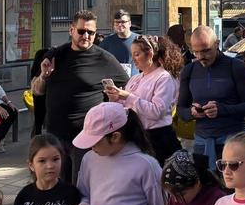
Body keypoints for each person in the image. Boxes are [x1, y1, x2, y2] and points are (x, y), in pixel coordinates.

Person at [32, 10, 128, 183]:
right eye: (81, 31)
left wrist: (114, 100)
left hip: (86, 136)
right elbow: (37, 90)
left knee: (81, 185)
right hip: (55, 135)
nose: (86, 36)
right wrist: (44, 76)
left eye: (91, 33)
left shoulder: (104, 59)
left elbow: (128, 86)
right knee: (56, 186)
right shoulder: (55, 55)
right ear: (71, 30)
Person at [177, 25, 245, 169]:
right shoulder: (189, 71)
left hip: (233, 139)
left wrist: (222, 110)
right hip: (202, 142)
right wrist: (192, 112)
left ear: (217, 44)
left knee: (234, 187)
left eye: (206, 50)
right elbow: (180, 110)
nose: (201, 56)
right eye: (196, 52)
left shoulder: (236, 66)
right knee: (207, 188)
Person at [72, 103, 165, 205]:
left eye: (96, 142)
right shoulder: (88, 159)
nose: (92, 147)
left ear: (115, 137)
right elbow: (83, 193)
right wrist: (84, 204)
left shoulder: (146, 165)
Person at [106, 35, 182, 164]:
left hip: (158, 138)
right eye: (132, 54)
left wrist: (128, 97)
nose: (133, 59)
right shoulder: (135, 78)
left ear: (150, 54)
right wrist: (115, 99)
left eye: (137, 54)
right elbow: (126, 109)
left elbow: (157, 112)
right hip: (137, 135)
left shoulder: (164, 78)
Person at [8, 134, 82, 205]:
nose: (50, 166)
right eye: (42, 161)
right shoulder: (24, 195)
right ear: (31, 165)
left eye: (55, 159)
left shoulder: (72, 192)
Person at [162, 150, 227, 205]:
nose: (175, 200)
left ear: (197, 183)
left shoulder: (218, 199)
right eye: (171, 194)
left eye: (182, 194)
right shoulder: (175, 197)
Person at [99, 9, 139, 74]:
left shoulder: (138, 39)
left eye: (123, 22)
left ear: (129, 23)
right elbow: (99, 61)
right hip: (115, 81)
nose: (120, 25)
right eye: (117, 22)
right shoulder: (107, 41)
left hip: (135, 81)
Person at [28, 46, 52, 136]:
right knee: (40, 119)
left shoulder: (38, 69)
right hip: (42, 94)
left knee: (38, 120)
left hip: (39, 95)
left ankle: (36, 136)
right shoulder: (44, 68)